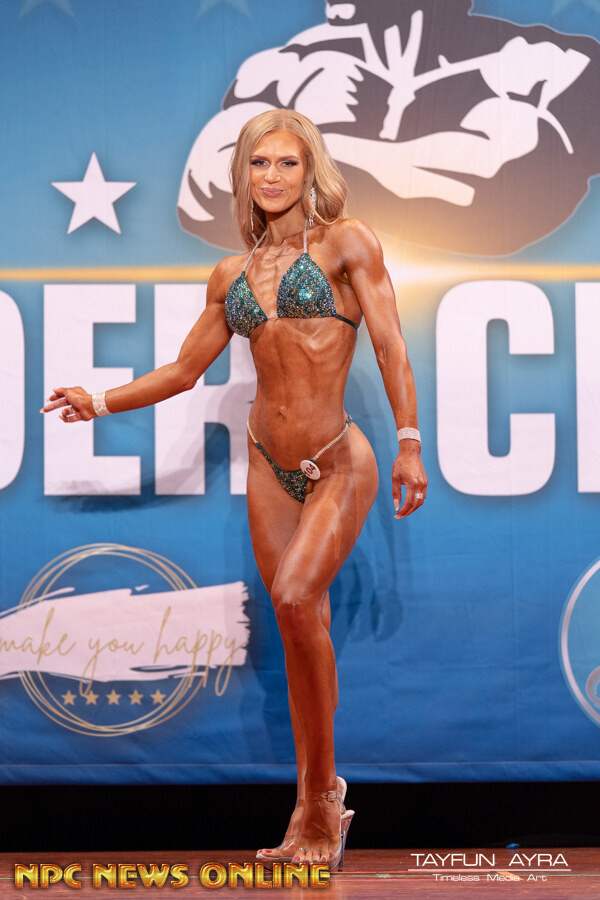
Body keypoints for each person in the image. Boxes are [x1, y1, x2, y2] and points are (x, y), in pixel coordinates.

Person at [41, 109, 428, 869]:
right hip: (265, 463)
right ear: (243, 175)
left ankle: (320, 807)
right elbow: (184, 371)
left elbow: (389, 344)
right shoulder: (231, 274)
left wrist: (410, 442)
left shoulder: (348, 242)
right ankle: (315, 796)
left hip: (336, 460)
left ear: (310, 171)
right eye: (259, 163)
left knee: (295, 598)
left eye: (287, 162)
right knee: (297, 625)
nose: (272, 176)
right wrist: (100, 400)